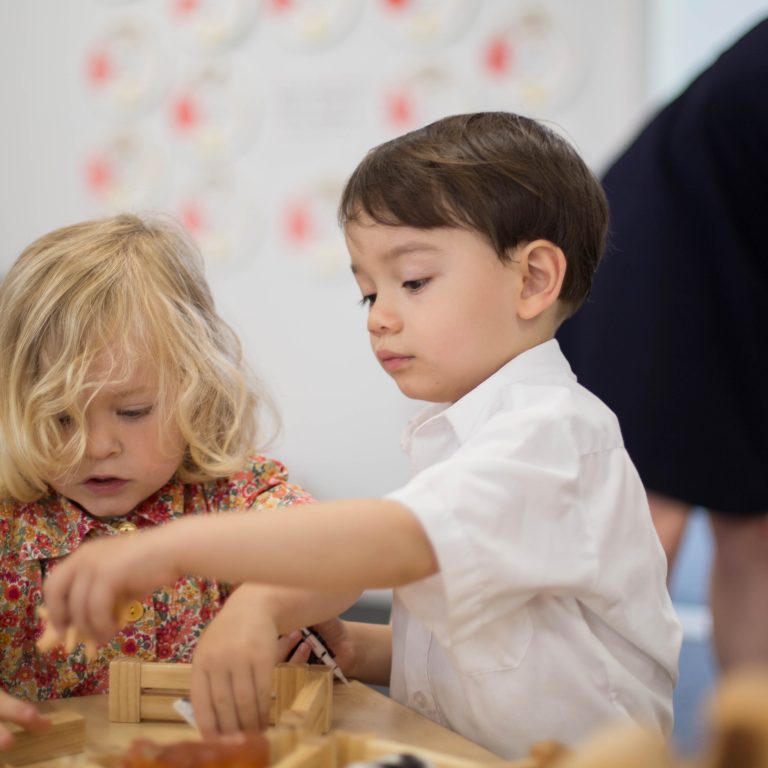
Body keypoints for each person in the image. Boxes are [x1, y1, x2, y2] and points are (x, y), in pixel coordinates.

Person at [41, 113, 681, 759]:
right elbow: (506, 648)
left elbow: (392, 541)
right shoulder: (471, 436)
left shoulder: (553, 436)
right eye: (367, 294)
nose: (380, 318)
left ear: (534, 278)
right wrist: (359, 648)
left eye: (412, 282)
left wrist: (175, 549)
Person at [0, 213, 313, 703]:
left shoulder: (230, 494)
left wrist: (260, 604)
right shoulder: (9, 518)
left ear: (198, 392)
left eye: (132, 411)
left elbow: (336, 558)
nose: (97, 446)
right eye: (60, 418)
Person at [556, 18, 768, 670]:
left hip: (744, 259)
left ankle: (748, 737)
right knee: (647, 510)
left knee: (755, 518)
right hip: (663, 245)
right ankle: (587, 736)